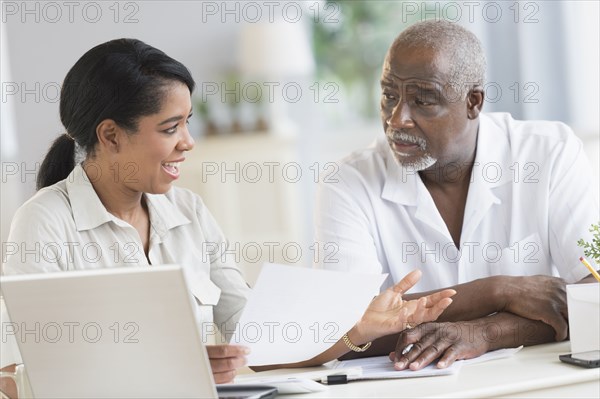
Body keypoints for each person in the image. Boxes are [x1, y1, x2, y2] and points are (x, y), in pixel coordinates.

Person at [1, 38, 455, 391]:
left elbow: (257, 341)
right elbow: (12, 377)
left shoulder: (189, 212)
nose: (188, 142)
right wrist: (169, 372)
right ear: (111, 136)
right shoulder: (44, 223)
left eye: (187, 122)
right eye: (170, 128)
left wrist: (357, 329)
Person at [315, 19, 600, 371]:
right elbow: (346, 326)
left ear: (473, 102)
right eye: (389, 95)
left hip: (536, 378)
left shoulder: (549, 153)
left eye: (422, 101)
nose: (397, 119)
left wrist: (484, 332)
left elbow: (594, 292)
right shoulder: (349, 181)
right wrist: (499, 291)